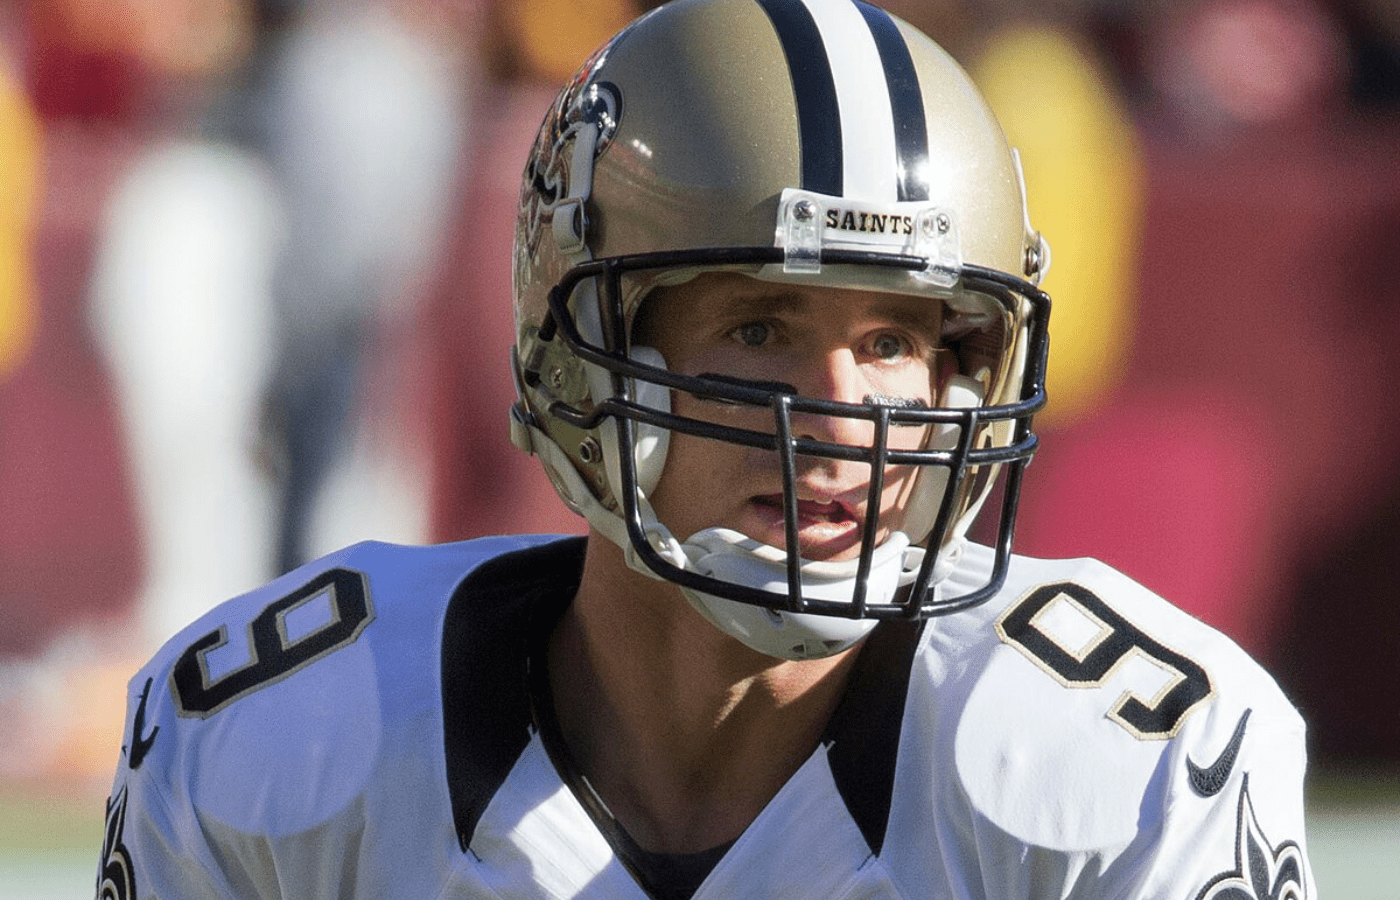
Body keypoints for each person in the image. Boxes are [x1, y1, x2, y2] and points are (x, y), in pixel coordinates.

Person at [95, 1, 1315, 898]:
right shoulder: (283, 750)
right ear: (575, 350)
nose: (842, 417)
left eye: (893, 340)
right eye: (758, 326)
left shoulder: (1124, 763)